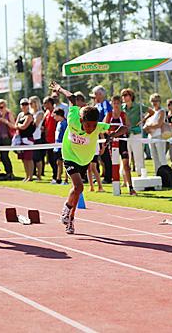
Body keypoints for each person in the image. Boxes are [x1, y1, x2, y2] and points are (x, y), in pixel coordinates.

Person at [50, 81, 127, 234]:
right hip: (70, 155)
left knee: (77, 190)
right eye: (88, 126)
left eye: (93, 126)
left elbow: (124, 128)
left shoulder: (98, 126)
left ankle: (70, 219)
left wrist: (112, 135)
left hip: (84, 159)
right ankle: (67, 208)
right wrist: (59, 89)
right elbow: (72, 98)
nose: (91, 129)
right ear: (81, 121)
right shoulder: (73, 119)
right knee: (79, 186)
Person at [105, 95, 136, 195]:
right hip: (113, 142)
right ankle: (116, 187)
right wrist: (110, 134)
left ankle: (130, 187)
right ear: (112, 104)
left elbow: (127, 126)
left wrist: (121, 132)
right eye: (114, 103)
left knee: (126, 164)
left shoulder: (123, 115)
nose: (116, 105)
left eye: (118, 103)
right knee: (114, 164)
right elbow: (104, 127)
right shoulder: (109, 115)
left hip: (122, 141)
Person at [121, 88, 154, 175]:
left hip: (136, 133)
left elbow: (151, 112)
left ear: (131, 96)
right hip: (125, 134)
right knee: (125, 156)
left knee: (138, 155)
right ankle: (125, 177)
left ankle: (141, 174)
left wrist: (143, 120)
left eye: (125, 95)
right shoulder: (122, 107)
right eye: (122, 95)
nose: (123, 97)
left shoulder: (138, 106)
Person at [90, 85, 113, 183]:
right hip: (96, 132)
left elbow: (108, 116)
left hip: (103, 133)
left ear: (100, 94)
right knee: (97, 155)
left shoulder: (105, 104)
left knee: (105, 155)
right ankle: (97, 175)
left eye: (95, 94)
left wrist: (101, 127)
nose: (94, 97)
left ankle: (108, 177)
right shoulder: (97, 105)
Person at [143, 93, 167, 174]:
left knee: (161, 157)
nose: (154, 103)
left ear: (159, 101)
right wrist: (147, 128)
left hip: (159, 136)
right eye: (152, 101)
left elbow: (159, 124)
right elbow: (145, 124)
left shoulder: (162, 111)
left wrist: (149, 126)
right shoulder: (151, 112)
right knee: (154, 157)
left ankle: (165, 174)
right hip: (150, 137)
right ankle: (157, 173)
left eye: (156, 101)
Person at [14, 98, 35, 182]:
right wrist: (19, 125)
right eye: (22, 104)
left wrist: (19, 125)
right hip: (21, 139)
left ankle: (31, 176)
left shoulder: (29, 115)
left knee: (28, 158)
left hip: (28, 139)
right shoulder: (20, 115)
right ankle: (26, 175)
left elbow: (24, 126)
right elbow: (16, 125)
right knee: (23, 158)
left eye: (26, 104)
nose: (24, 106)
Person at [0, 99, 15, 179]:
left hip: (7, 137)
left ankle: (10, 173)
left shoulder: (9, 113)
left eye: (2, 107)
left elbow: (13, 125)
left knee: (5, 156)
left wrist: (5, 121)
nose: (0, 109)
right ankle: (4, 170)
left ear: (5, 106)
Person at [43, 96, 58, 183]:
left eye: (45, 103)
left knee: (55, 159)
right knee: (50, 159)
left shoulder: (55, 112)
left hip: (54, 140)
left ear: (50, 103)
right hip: (48, 140)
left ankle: (56, 176)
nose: (44, 105)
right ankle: (54, 175)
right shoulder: (47, 113)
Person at [29, 96, 45, 181]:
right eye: (29, 103)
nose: (30, 105)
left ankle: (39, 175)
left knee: (37, 157)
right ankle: (32, 174)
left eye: (32, 103)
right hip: (30, 137)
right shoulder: (30, 113)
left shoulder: (40, 113)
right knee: (31, 157)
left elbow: (35, 124)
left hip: (37, 137)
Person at [53, 108, 68, 185]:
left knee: (65, 163)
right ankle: (58, 178)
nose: (54, 117)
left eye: (55, 115)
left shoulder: (65, 123)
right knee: (58, 162)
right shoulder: (59, 123)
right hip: (57, 145)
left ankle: (66, 179)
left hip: (62, 146)